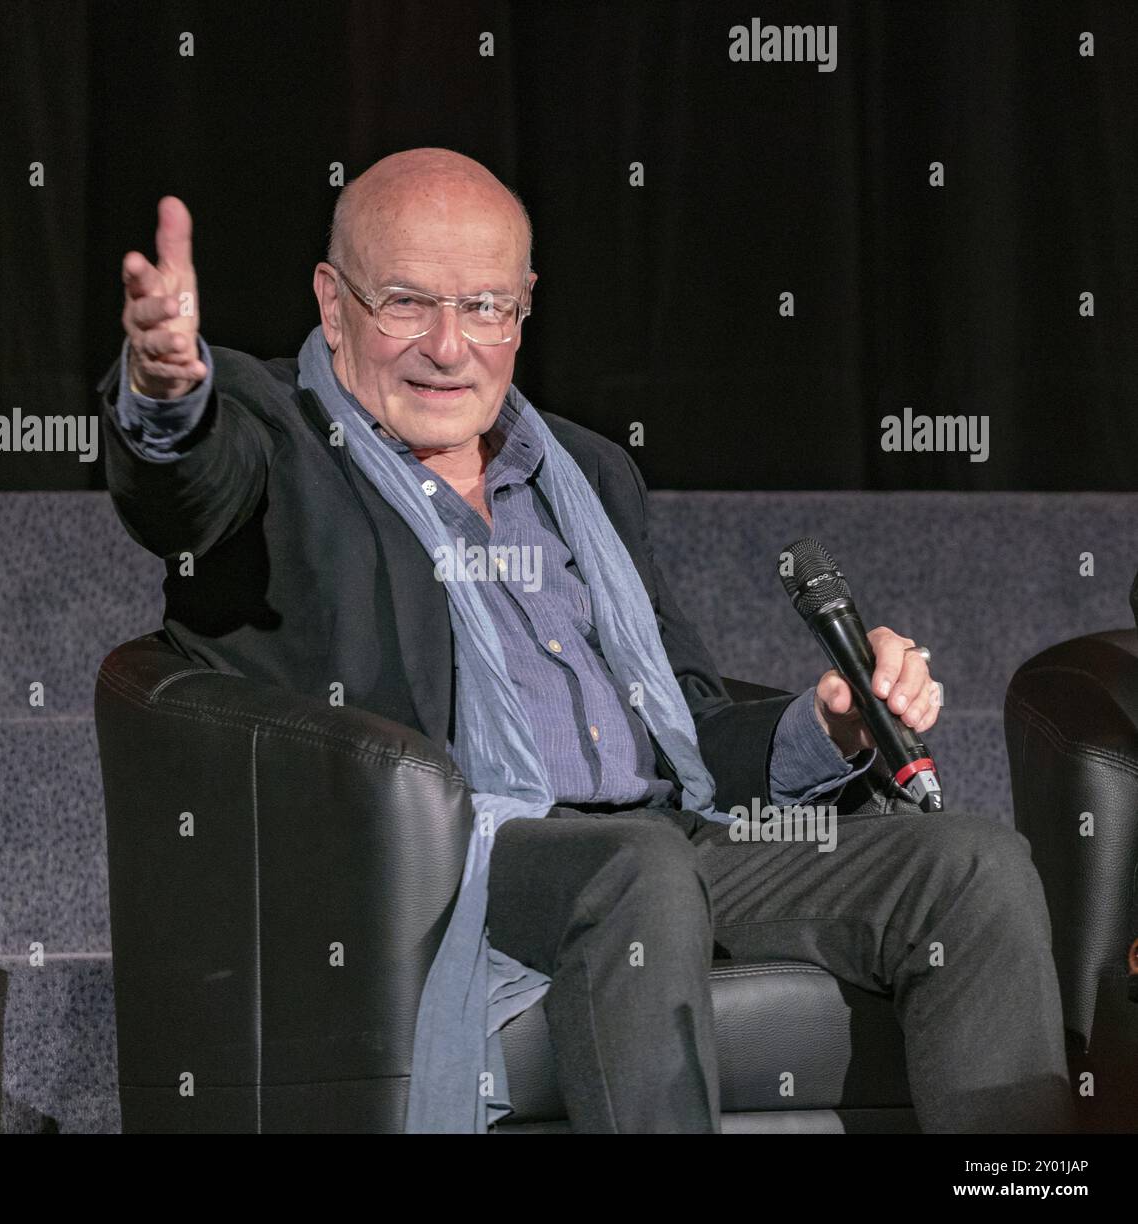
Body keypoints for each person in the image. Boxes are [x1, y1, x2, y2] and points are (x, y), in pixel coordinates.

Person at [100, 147, 1074, 1134]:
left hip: (668, 837)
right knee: (633, 871)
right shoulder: (279, 437)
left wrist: (831, 730)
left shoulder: (585, 471)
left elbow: (686, 729)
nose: (449, 346)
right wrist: (168, 394)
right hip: (453, 867)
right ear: (332, 300)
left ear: (522, 309)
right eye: (406, 302)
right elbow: (185, 487)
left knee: (970, 866)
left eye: (484, 306)